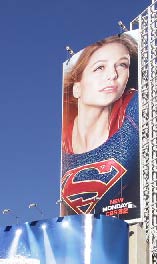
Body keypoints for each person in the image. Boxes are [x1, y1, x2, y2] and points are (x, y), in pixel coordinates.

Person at [60, 33, 140, 219]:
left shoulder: (133, 113)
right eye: (100, 68)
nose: (112, 75)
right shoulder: (63, 145)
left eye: (122, 65)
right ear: (77, 88)